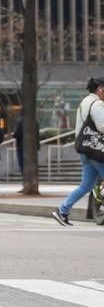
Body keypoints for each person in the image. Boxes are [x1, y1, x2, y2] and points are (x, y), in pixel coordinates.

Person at [52, 77, 104, 226]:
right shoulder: (97, 104)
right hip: (96, 150)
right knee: (86, 186)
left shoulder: (85, 102)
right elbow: (102, 126)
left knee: (85, 186)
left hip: (85, 150)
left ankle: (62, 211)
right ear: (100, 89)